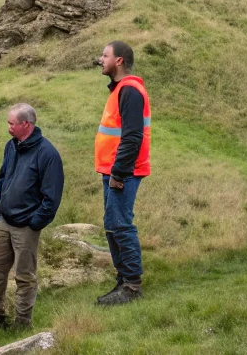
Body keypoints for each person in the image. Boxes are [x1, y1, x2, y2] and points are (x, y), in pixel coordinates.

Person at [0, 103, 64, 331]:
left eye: (12, 123)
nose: (8, 127)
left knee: (24, 277)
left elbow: (52, 197)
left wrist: (35, 222)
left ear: (25, 124)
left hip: (26, 226)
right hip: (4, 222)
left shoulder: (48, 154)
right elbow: (2, 179)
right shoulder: (11, 146)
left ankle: (22, 324)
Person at [94, 41, 151, 306]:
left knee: (121, 225)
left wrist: (118, 172)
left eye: (105, 55)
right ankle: (123, 280)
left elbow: (131, 137)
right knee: (113, 225)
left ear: (118, 61)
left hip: (123, 172)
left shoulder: (129, 91)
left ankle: (131, 286)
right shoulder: (121, 90)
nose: (100, 59)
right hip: (115, 170)